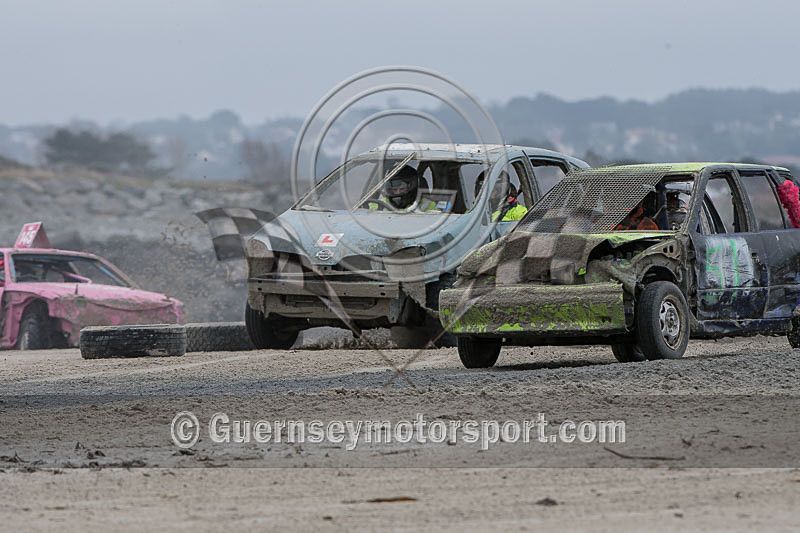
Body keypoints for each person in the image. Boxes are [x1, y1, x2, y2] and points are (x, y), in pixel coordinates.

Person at [368, 165, 436, 212]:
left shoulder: (427, 205)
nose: (398, 193)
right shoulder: (378, 204)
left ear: (412, 187)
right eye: (394, 190)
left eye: (402, 189)